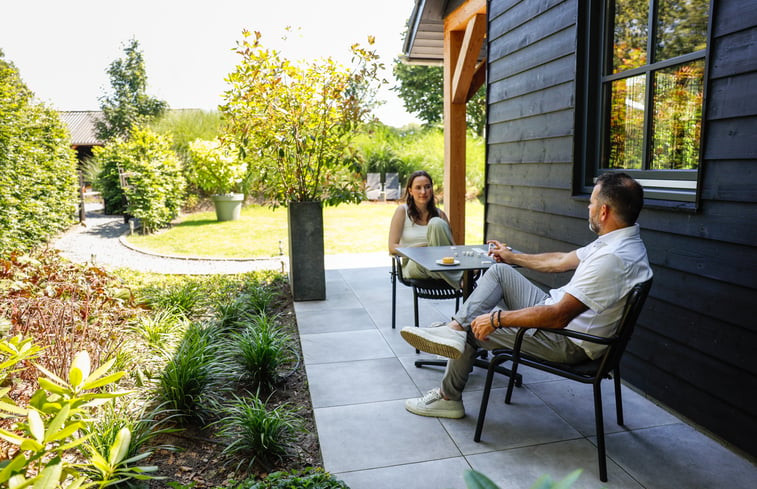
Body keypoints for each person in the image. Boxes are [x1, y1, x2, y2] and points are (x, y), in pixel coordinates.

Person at [400, 172, 653, 419]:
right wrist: (512, 257)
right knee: (499, 272)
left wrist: (497, 319)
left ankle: (448, 397)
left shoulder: (612, 258)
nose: (588, 208)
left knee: (474, 326)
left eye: (591, 203)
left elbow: (558, 317)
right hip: (557, 317)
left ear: (604, 211)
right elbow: (560, 260)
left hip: (567, 342)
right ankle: (453, 328)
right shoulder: (618, 241)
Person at [388, 170, 462, 289]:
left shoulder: (440, 215)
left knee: (436, 222)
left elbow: (451, 248)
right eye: (418, 187)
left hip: (438, 263)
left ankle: (450, 277)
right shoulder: (402, 211)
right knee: (426, 263)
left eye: (427, 187)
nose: (423, 192)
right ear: (410, 191)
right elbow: (392, 247)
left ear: (432, 189)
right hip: (413, 264)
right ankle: (460, 282)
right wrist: (423, 247)